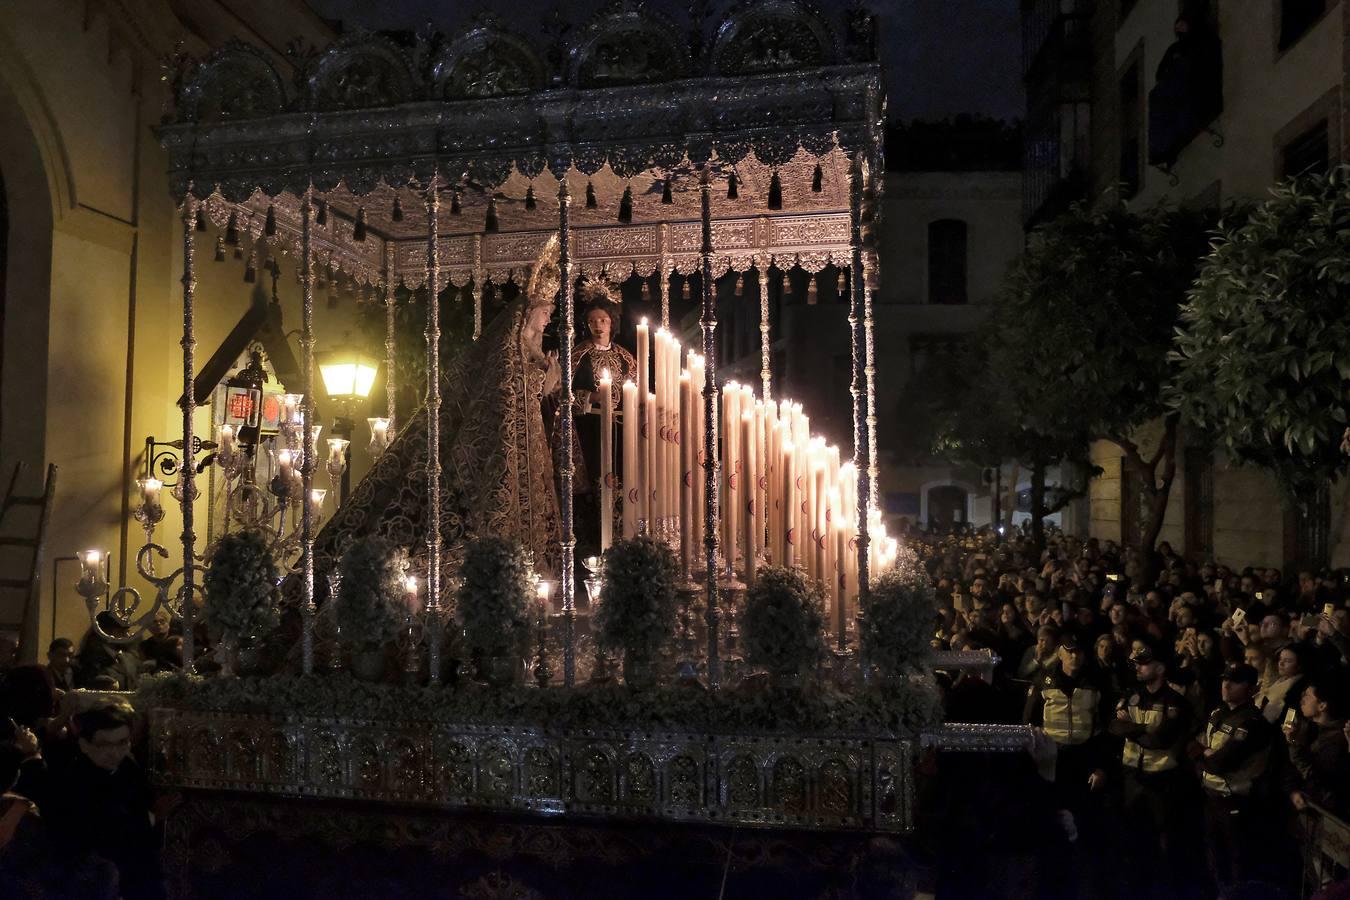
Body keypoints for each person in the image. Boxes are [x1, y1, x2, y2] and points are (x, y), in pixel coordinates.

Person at [311, 234, 564, 581]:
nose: (549, 319)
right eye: (545, 312)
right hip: (497, 454)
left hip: (528, 453)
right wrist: (542, 384)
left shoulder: (534, 355)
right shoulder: (507, 350)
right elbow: (502, 393)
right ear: (528, 312)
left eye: (550, 313)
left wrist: (547, 384)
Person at [43, 702, 166, 900]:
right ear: (84, 745)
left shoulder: (126, 765)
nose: (115, 752)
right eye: (104, 744)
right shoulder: (74, 781)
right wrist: (153, 816)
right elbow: (104, 833)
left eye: (122, 742)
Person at [552, 278, 637, 557]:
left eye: (603, 320)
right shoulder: (578, 355)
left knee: (622, 484)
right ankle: (592, 545)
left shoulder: (626, 358)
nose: (598, 326)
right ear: (587, 325)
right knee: (594, 486)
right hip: (588, 431)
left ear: (612, 322)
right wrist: (592, 398)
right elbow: (562, 395)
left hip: (621, 428)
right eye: (592, 321)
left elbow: (636, 391)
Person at [1108, 642, 1198, 896]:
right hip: (1132, 777)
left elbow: (1160, 741)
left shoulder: (1175, 702)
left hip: (1162, 781)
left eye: (1144, 663)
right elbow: (1114, 727)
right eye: (1136, 663)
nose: (1137, 667)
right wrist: (1143, 729)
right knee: (1134, 838)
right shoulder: (1132, 694)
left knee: (1164, 842)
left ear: (1160, 668)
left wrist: (1132, 727)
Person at [1194, 662, 1273, 892]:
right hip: (1211, 795)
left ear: (1250, 688)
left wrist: (1203, 754)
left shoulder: (1252, 722)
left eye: (1235, 681)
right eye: (1224, 679)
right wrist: (1204, 754)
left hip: (1235, 800)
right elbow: (1194, 744)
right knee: (1215, 855)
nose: (1226, 685)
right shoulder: (1218, 712)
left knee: (1237, 859)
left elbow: (1222, 761)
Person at [1284, 678, 1350, 817]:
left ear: (1322, 706)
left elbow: (1313, 776)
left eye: (1307, 697)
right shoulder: (1309, 728)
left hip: (1323, 812)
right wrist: (1293, 790)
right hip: (1303, 802)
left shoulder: (1336, 739)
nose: (1302, 701)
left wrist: (1293, 742)